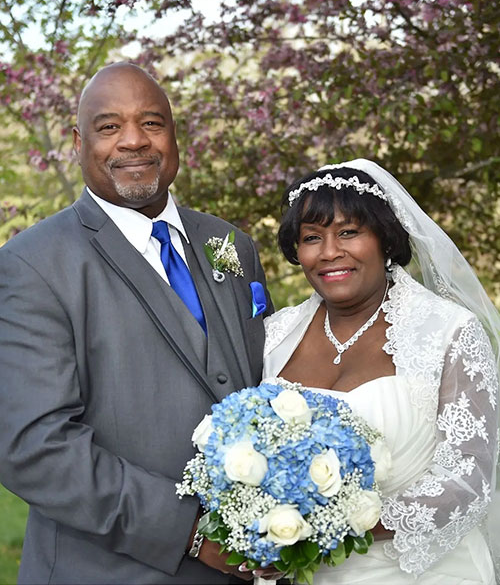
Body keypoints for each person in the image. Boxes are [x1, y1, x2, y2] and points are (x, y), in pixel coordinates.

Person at [0, 62, 275, 584]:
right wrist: (191, 532)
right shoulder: (30, 264)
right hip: (109, 570)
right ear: (77, 142)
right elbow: (35, 446)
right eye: (109, 127)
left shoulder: (230, 245)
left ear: (175, 137)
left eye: (152, 123)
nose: (133, 141)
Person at [262, 159, 500, 584]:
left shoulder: (448, 331)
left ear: (386, 239)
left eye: (349, 232)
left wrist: (333, 529)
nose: (330, 252)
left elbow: (469, 481)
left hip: (422, 572)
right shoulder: (275, 335)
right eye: (312, 238)